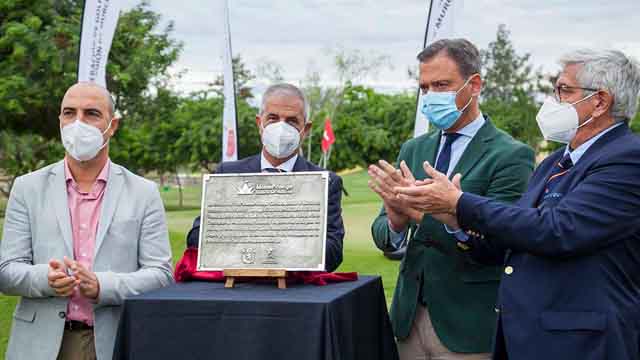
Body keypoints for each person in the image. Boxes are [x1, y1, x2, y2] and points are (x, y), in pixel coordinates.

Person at [394, 49, 640, 360]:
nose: (553, 100)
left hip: (582, 342)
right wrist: (454, 220)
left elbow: (557, 230)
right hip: (529, 335)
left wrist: (459, 202)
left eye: (564, 90)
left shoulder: (627, 158)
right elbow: (516, 235)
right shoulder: (554, 162)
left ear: (600, 101)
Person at [369, 39, 535, 359]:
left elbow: (502, 241)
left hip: (468, 324)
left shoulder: (511, 156)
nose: (431, 95)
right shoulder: (413, 149)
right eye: (425, 87)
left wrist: (424, 215)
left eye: (442, 84)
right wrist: (395, 219)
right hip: (407, 318)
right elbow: (384, 233)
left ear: (474, 85)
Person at [0, 82, 174, 360]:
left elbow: (161, 275)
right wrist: (45, 278)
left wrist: (103, 286)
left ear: (112, 125)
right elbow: (6, 271)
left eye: (91, 113)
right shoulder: (27, 188)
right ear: (60, 120)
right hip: (39, 345)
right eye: (69, 113)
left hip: (114, 340)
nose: (78, 123)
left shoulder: (143, 192)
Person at [186, 83, 345, 272]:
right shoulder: (227, 174)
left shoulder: (325, 182)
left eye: (292, 121)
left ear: (306, 128)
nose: (281, 127)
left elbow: (333, 254)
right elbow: (196, 238)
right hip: (236, 289)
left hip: (295, 292)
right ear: (259, 123)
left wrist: (266, 236)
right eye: (273, 118)